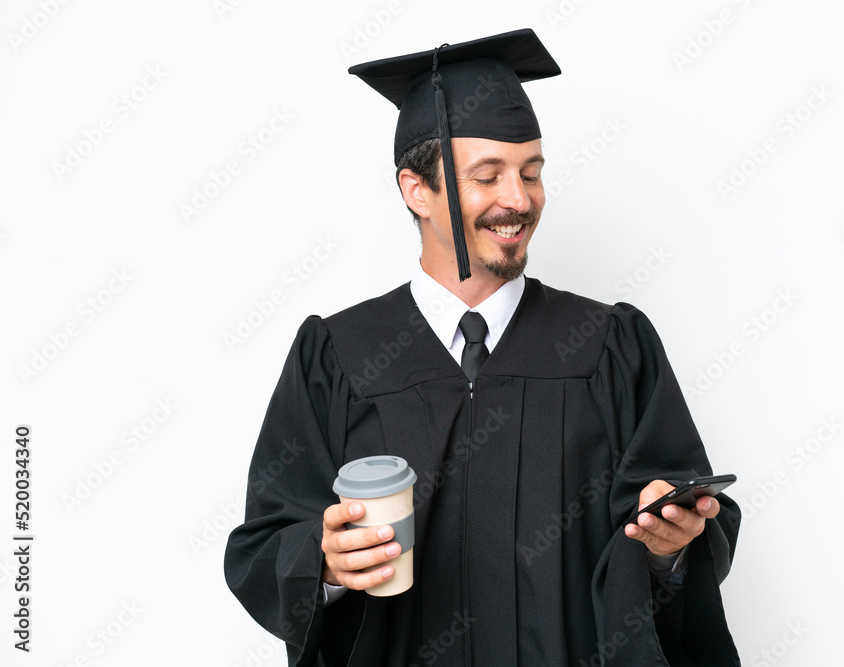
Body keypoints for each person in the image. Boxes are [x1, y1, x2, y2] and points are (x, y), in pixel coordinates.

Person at [225, 28, 740, 666]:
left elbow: (681, 525)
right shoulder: (338, 356)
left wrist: (669, 546)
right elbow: (263, 545)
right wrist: (324, 564)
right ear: (418, 190)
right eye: (487, 176)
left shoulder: (610, 348)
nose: (518, 200)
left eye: (531, 172)